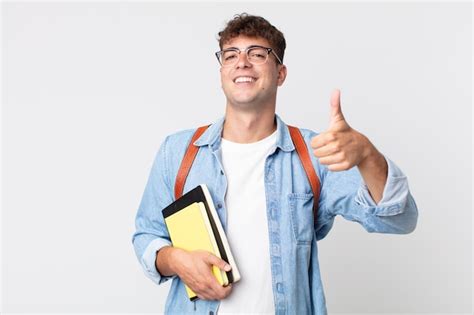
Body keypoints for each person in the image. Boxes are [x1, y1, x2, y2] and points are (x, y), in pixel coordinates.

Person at [132, 13, 418, 315]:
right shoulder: (178, 152)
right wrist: (176, 260)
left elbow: (399, 219)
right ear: (221, 72)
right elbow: (146, 235)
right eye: (231, 55)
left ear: (280, 73)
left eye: (257, 54)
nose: (242, 62)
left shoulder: (314, 154)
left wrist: (367, 155)